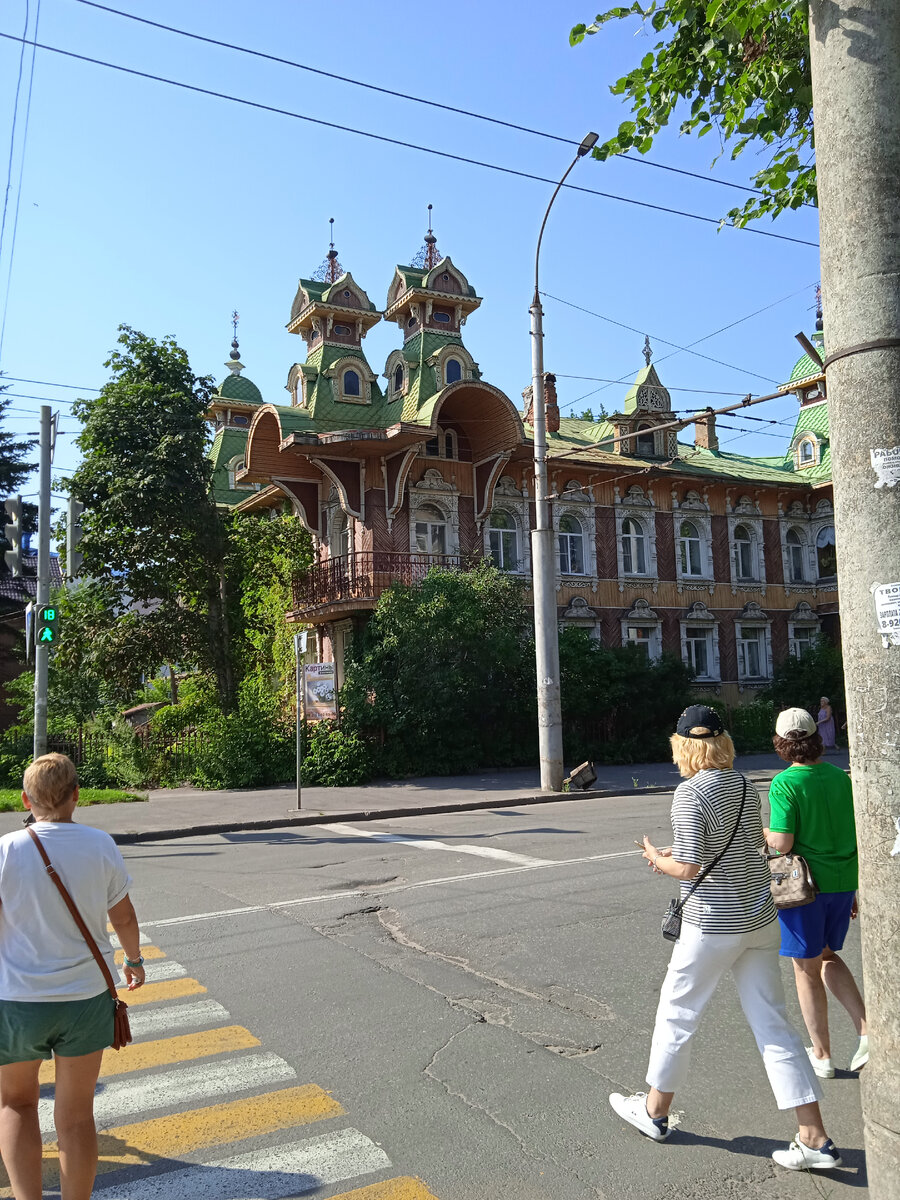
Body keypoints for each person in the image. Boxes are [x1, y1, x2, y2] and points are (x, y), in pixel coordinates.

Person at [608, 705, 842, 1172]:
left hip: (712, 925)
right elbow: (736, 845)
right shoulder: (740, 784)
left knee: (678, 1013)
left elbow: (691, 867)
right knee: (774, 1024)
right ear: (723, 743)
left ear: (684, 746)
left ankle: (654, 1112)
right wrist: (682, 853)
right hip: (758, 921)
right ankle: (813, 1137)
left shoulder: (689, 793)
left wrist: (658, 857)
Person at [0, 754, 145, 1200]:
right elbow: (122, 917)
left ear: (25, 799)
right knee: (77, 1116)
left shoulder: (6, 849)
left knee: (17, 1104)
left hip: (19, 1001)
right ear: (76, 796)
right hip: (86, 999)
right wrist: (134, 962)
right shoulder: (100, 844)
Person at [766, 707, 867, 1079]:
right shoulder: (841, 778)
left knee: (805, 967)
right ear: (816, 738)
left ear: (780, 743)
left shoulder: (786, 783)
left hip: (804, 885)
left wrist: (760, 834)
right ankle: (867, 1030)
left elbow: (782, 842)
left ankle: (822, 1055)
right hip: (843, 881)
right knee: (827, 955)